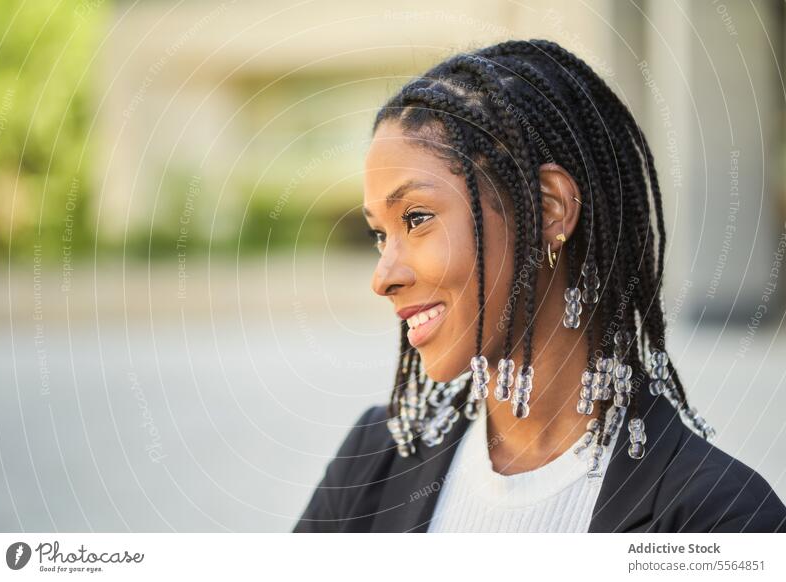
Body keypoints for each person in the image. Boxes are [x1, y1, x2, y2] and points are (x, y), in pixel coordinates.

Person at [293, 39, 786, 533]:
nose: (383, 277)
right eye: (381, 235)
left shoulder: (719, 520)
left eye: (416, 218)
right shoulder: (370, 467)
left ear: (549, 209)